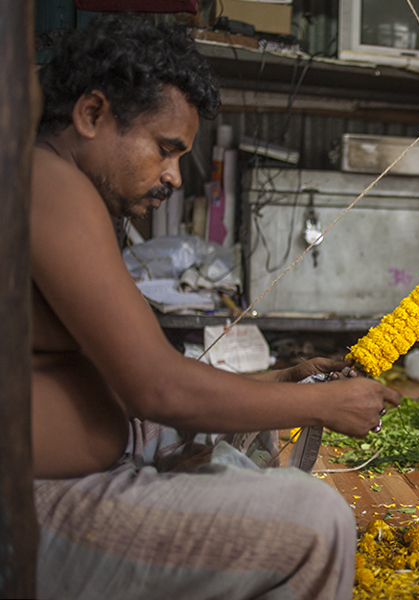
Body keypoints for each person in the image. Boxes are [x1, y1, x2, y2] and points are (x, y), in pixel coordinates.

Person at [30, 14, 400, 600]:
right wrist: (325, 403)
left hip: (86, 461)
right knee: (315, 523)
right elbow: (157, 389)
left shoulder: (62, 184)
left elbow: (136, 376)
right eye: (165, 150)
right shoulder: (48, 183)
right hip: (25, 512)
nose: (174, 176)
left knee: (227, 446)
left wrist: (278, 385)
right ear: (92, 114)